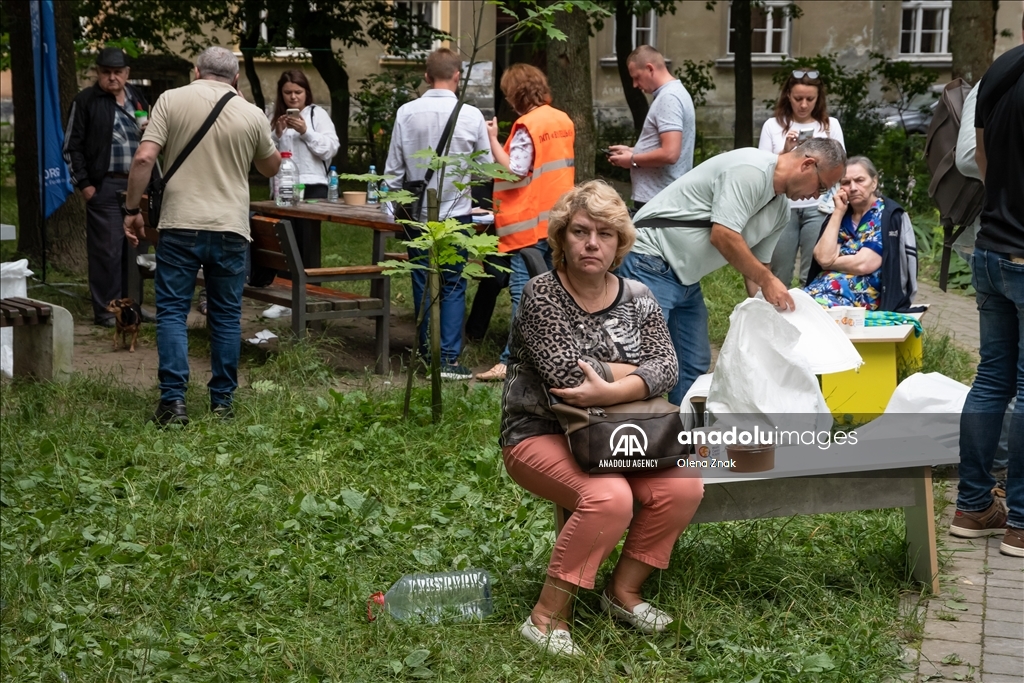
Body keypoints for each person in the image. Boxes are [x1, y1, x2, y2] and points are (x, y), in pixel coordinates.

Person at [500, 180, 703, 657]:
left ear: (620, 244)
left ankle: (623, 592)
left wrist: (609, 387)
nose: (592, 243)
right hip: (540, 430)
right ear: (561, 240)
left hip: (618, 432)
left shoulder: (638, 292)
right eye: (580, 231)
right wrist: (638, 374)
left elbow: (669, 366)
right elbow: (566, 377)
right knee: (608, 497)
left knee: (685, 486)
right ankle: (546, 617)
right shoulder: (541, 293)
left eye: (606, 234)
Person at [122, 46, 281, 425]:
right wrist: (248, 116)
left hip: (180, 225)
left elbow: (145, 157)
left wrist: (131, 211)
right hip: (230, 227)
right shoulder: (250, 112)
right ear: (237, 78)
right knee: (226, 316)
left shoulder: (170, 99)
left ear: (196, 71)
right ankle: (223, 402)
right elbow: (271, 166)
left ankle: (173, 403)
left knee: (174, 312)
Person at [619, 138, 846, 403]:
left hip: (685, 276)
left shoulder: (781, 211)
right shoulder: (750, 169)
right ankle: (633, 435)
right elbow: (724, 235)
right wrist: (767, 279)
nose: (817, 196)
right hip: (650, 258)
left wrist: (770, 311)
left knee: (693, 362)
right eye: (821, 186)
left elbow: (758, 268)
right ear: (807, 164)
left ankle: (683, 438)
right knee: (643, 359)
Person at [949, 42, 1024, 558]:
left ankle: (973, 506)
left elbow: (980, 159)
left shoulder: (1001, 67)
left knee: (993, 376)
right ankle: (1020, 521)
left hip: (991, 247)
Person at [384, 48, 493, 380]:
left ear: (426, 76)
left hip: (415, 213)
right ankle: (447, 358)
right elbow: (485, 168)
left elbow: (393, 170)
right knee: (454, 284)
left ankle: (424, 353)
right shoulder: (471, 115)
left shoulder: (406, 112)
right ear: (457, 76)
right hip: (456, 213)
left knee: (421, 280)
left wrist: (391, 214)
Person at [475, 64, 575, 382]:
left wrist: (492, 140)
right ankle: (552, 355)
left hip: (528, 226)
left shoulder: (526, 125)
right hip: (558, 220)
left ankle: (510, 362)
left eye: (508, 94)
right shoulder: (563, 120)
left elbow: (515, 170)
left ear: (517, 93)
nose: (508, 100)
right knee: (553, 292)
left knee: (523, 293)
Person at [64, 47, 151, 327]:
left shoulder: (138, 97)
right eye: (106, 72)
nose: (112, 77)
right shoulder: (86, 100)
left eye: (118, 72)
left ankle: (131, 308)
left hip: (137, 185)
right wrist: (86, 185)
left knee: (134, 250)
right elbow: (71, 147)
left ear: (127, 73)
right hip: (104, 184)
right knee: (107, 252)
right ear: (98, 73)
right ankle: (107, 311)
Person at [262, 69, 340, 319]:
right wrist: (277, 133)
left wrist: (306, 131)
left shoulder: (317, 114)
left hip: (312, 186)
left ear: (306, 92)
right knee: (284, 240)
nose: (293, 97)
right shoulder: (275, 117)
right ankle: (283, 294)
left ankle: (308, 293)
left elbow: (329, 149)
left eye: (298, 92)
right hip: (283, 185)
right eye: (288, 93)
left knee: (306, 241)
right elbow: (264, 152)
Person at [758, 69, 846, 286]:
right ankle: (778, 316)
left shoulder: (830, 125)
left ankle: (812, 315)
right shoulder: (773, 125)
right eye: (798, 98)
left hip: (820, 207)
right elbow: (762, 169)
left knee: (814, 273)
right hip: (782, 207)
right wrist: (786, 153)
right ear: (788, 95)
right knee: (780, 271)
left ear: (819, 98)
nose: (804, 105)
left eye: (810, 99)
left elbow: (840, 169)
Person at [607, 45, 695, 211]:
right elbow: (666, 147)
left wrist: (632, 160)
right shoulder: (674, 92)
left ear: (649, 68)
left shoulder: (669, 98)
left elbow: (670, 153)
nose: (634, 84)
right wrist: (631, 150)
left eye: (637, 77)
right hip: (662, 197)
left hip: (658, 200)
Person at [804, 157, 894, 310]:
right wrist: (838, 211)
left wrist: (830, 263)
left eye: (860, 180)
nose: (853, 187)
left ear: (874, 182)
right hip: (820, 291)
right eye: (845, 182)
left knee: (808, 314)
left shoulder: (885, 215)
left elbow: (864, 264)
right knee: (791, 307)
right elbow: (821, 256)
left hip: (857, 294)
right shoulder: (841, 216)